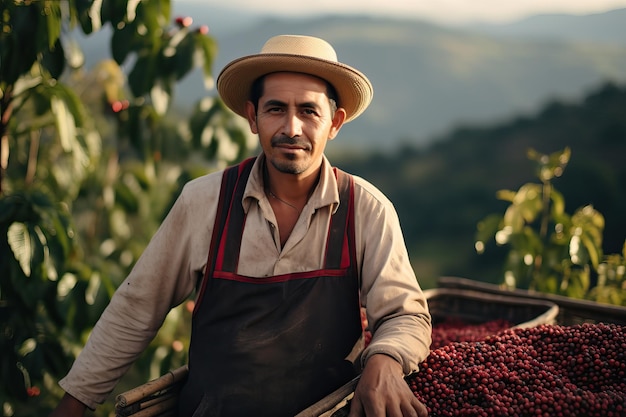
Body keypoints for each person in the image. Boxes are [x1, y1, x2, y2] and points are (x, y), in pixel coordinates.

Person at [50, 34, 432, 417]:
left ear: (335, 122)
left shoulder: (365, 209)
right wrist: (75, 401)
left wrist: (384, 360)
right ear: (253, 117)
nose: (292, 128)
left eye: (309, 112)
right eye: (276, 109)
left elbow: (405, 313)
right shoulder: (204, 202)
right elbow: (136, 309)